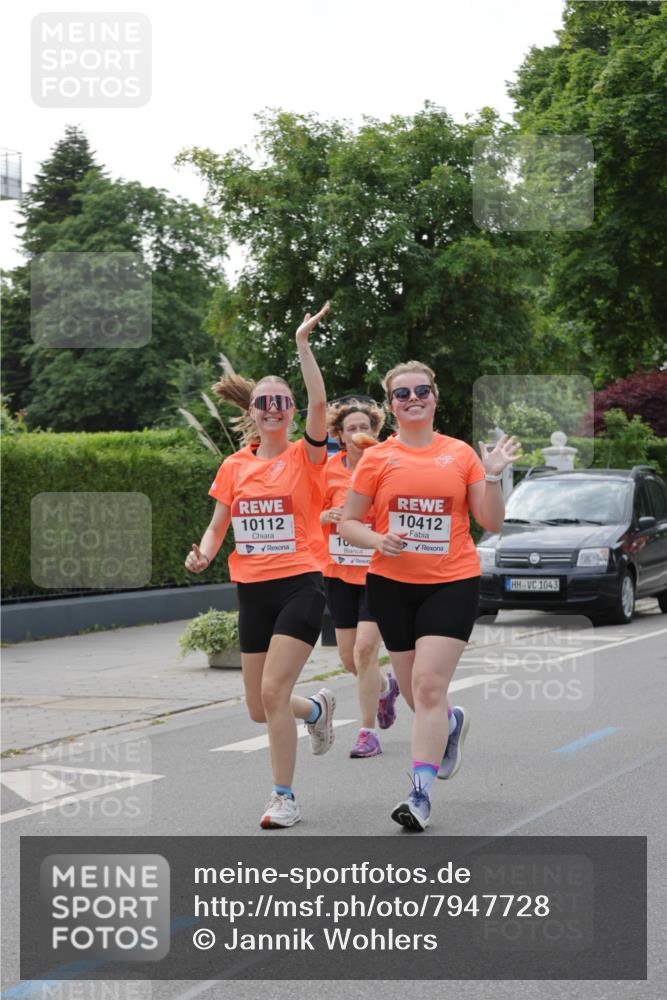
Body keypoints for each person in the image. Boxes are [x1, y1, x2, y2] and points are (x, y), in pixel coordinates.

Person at [339, 361, 520, 830]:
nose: (413, 398)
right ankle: (451, 725)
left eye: (422, 390)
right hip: (392, 587)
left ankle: (419, 794)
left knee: (426, 687)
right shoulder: (377, 458)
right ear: (392, 404)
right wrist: (377, 540)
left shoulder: (459, 455)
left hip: (451, 582)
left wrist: (493, 475)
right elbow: (349, 523)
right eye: (402, 394)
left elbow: (492, 523)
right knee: (423, 702)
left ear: (435, 397)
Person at [185, 304, 335, 830]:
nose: (273, 409)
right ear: (253, 411)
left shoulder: (305, 457)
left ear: (291, 410)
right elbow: (218, 523)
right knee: (258, 705)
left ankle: (283, 797)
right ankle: (316, 712)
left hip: (301, 584)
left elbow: (321, 400)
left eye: (281, 402)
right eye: (264, 403)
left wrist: (302, 344)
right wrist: (203, 550)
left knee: (272, 693)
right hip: (251, 589)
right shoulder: (234, 466)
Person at [319, 399, 400, 758]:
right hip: (338, 572)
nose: (358, 434)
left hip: (377, 570)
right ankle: (385, 687)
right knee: (350, 660)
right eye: (350, 429)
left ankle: (367, 733)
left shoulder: (386, 467)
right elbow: (308, 514)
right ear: (339, 435)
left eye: (364, 428)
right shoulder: (325, 471)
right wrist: (328, 516)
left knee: (366, 649)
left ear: (374, 434)